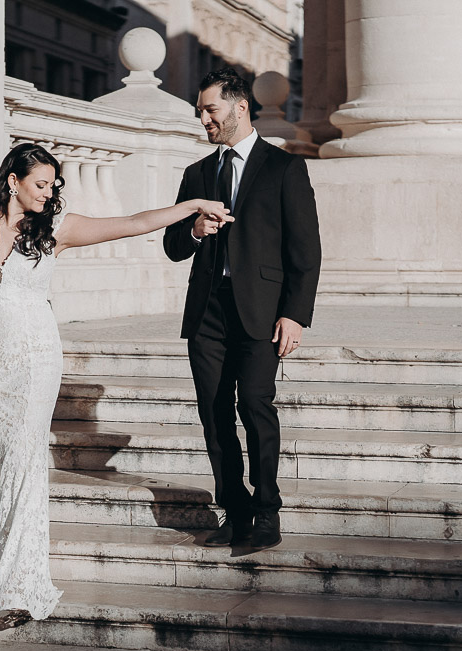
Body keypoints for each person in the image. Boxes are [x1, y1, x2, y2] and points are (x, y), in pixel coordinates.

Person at [0, 143, 231, 625]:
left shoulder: (55, 226)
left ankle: (20, 591)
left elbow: (133, 222)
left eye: (53, 185)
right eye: (40, 184)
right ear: (13, 181)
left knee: (23, 466)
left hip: (33, 362)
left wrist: (192, 206)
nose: (48, 193)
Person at [163, 68, 321, 550]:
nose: (204, 119)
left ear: (240, 107)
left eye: (211, 110)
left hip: (262, 311)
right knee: (214, 414)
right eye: (201, 112)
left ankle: (268, 511)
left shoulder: (283, 168)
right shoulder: (197, 173)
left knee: (254, 405)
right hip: (208, 311)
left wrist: (295, 314)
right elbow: (172, 244)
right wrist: (195, 231)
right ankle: (234, 511)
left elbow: (305, 250)